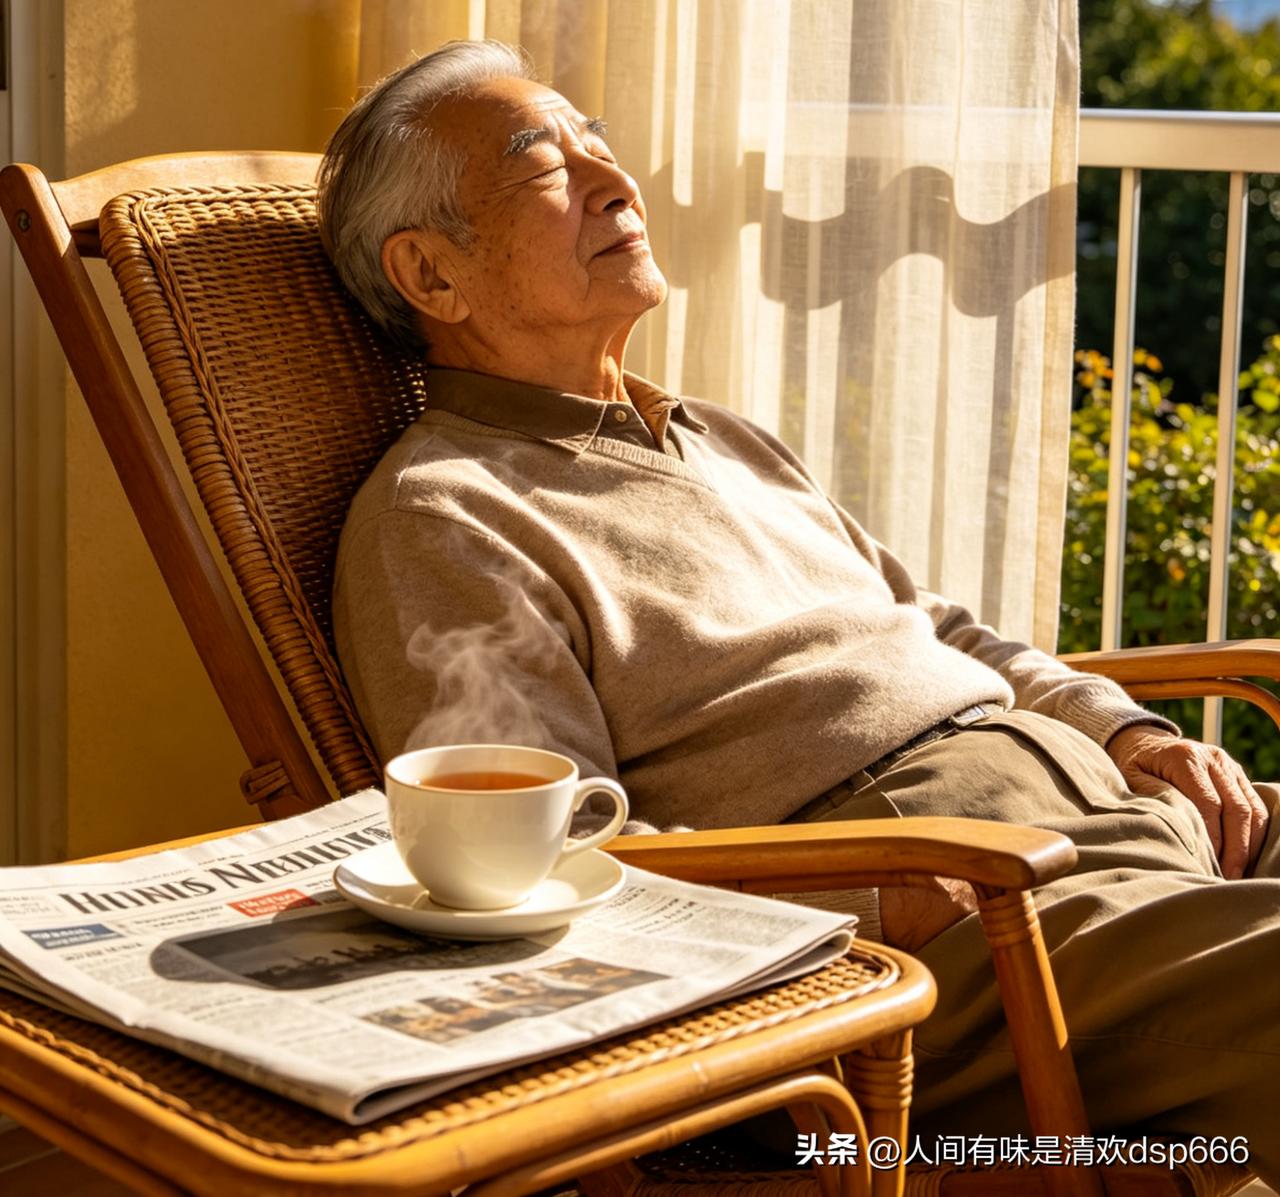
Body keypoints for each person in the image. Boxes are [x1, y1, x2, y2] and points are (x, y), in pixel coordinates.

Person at [319, 40, 1280, 1180]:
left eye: (601, 148)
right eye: (543, 166)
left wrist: (1122, 729)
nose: (614, 183)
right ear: (432, 277)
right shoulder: (447, 513)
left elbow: (937, 627)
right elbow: (527, 871)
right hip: (956, 939)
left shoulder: (717, 438)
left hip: (1116, 823)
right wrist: (866, 895)